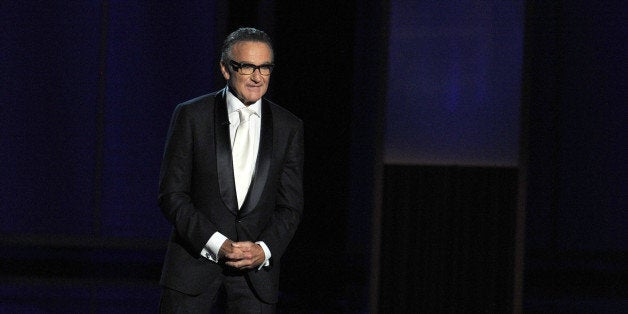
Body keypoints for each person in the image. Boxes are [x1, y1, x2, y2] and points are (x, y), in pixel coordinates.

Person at [158, 27, 304, 313]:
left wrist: (264, 249)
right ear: (225, 69)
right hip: (192, 270)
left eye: (265, 67)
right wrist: (217, 244)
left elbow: (290, 206)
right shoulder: (192, 115)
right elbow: (172, 194)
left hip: (256, 280)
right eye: (247, 66)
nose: (257, 76)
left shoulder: (289, 127)